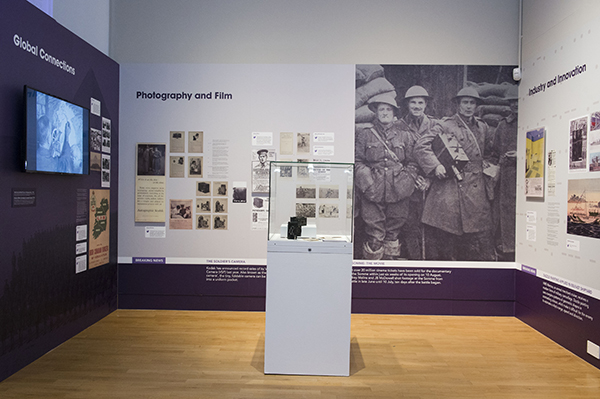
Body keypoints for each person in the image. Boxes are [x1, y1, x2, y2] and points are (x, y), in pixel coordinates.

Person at [414, 86, 496, 261]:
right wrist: (436, 166)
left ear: (476, 106)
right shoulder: (445, 125)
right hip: (452, 183)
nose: (468, 106)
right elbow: (422, 146)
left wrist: (490, 170)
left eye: (472, 103)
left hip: (477, 185)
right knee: (449, 233)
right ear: (458, 105)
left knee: (476, 234)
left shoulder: (483, 126)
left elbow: (489, 153)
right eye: (465, 102)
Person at [355, 93, 418, 260]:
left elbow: (413, 163)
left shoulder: (404, 135)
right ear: (376, 112)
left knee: (393, 235)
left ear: (394, 113)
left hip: (398, 190)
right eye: (381, 109)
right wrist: (367, 182)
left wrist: (407, 181)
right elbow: (358, 161)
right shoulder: (365, 134)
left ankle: (389, 268)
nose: (384, 113)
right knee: (375, 236)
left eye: (388, 109)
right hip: (372, 190)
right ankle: (372, 271)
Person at [394, 86, 438, 259]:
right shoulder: (398, 126)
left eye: (421, 102)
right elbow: (394, 157)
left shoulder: (435, 124)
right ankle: (415, 261)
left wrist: (429, 179)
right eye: (413, 102)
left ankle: (431, 264)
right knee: (410, 225)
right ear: (407, 105)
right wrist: (412, 177)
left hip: (432, 183)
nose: (417, 106)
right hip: (408, 182)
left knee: (430, 226)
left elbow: (442, 155)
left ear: (426, 104)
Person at [491, 85, 518, 260]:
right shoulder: (503, 125)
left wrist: (521, 154)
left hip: (529, 175)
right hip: (507, 178)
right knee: (504, 216)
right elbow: (494, 152)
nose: (515, 105)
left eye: (518, 102)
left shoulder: (535, 121)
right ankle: (507, 251)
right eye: (512, 102)